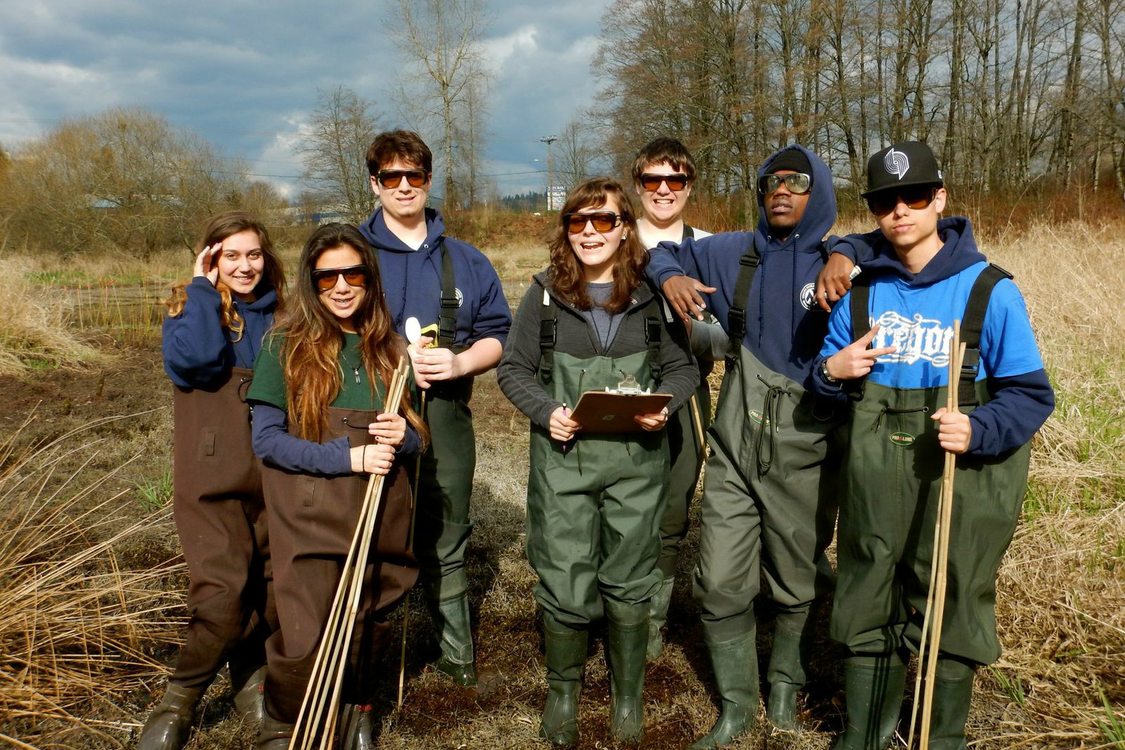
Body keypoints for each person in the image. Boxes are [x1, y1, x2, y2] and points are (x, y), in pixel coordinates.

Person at [812, 141, 1054, 749]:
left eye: (914, 197)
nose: (901, 211)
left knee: (948, 593)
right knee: (867, 589)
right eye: (886, 201)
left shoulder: (989, 290)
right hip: (875, 467)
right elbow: (826, 379)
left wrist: (978, 428)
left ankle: (938, 738)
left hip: (959, 471)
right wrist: (830, 371)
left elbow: (1030, 395)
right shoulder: (863, 294)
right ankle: (866, 735)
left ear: (939, 199)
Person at [647, 145, 861, 745]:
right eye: (771, 181)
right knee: (716, 579)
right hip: (736, 446)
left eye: (797, 181)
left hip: (809, 447)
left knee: (797, 577)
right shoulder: (733, 250)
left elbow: (908, 239)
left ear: (816, 190)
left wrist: (845, 251)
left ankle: (786, 695)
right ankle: (737, 707)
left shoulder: (841, 257)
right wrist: (672, 275)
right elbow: (658, 249)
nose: (782, 190)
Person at [497, 177, 698, 747]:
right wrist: (544, 411)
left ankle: (626, 697)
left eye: (603, 221)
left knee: (632, 576)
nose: (590, 232)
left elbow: (685, 371)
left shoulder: (653, 296)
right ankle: (563, 692)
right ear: (566, 231)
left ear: (625, 227)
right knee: (563, 573)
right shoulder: (542, 296)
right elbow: (511, 370)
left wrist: (667, 407)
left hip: (638, 463)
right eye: (578, 222)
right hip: (564, 462)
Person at [247, 223, 427, 749]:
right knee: (304, 638)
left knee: (371, 623)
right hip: (310, 513)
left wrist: (407, 438)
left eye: (353, 274)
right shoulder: (285, 346)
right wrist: (347, 457)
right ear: (311, 283)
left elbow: (416, 439)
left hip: (380, 514)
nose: (342, 287)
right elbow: (268, 441)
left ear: (369, 279)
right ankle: (281, 725)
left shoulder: (392, 350)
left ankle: (354, 711)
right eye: (328, 278)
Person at [358, 130, 510, 687]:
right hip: (364, 412)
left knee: (447, 532)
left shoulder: (466, 261)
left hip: (445, 415)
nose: (403, 187)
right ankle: (366, 659)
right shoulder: (350, 255)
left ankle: (457, 654)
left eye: (413, 176)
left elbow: (499, 334)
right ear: (375, 184)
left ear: (428, 180)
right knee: (367, 528)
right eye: (390, 177)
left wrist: (461, 363)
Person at [141, 212, 285, 750]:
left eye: (254, 255)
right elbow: (198, 361)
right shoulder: (189, 312)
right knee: (222, 595)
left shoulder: (285, 318)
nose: (245, 266)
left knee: (269, 592)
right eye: (231, 256)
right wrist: (202, 288)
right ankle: (180, 697)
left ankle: (251, 679)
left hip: (277, 474)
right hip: (212, 478)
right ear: (211, 259)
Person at [630, 137, 721, 660]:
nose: (664, 190)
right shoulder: (613, 239)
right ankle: (611, 605)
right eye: (653, 181)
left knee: (671, 509)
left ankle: (651, 621)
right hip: (618, 391)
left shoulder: (708, 248)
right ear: (638, 184)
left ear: (689, 186)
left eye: (676, 181)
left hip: (684, 395)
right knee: (616, 505)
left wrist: (698, 329)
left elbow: (725, 333)